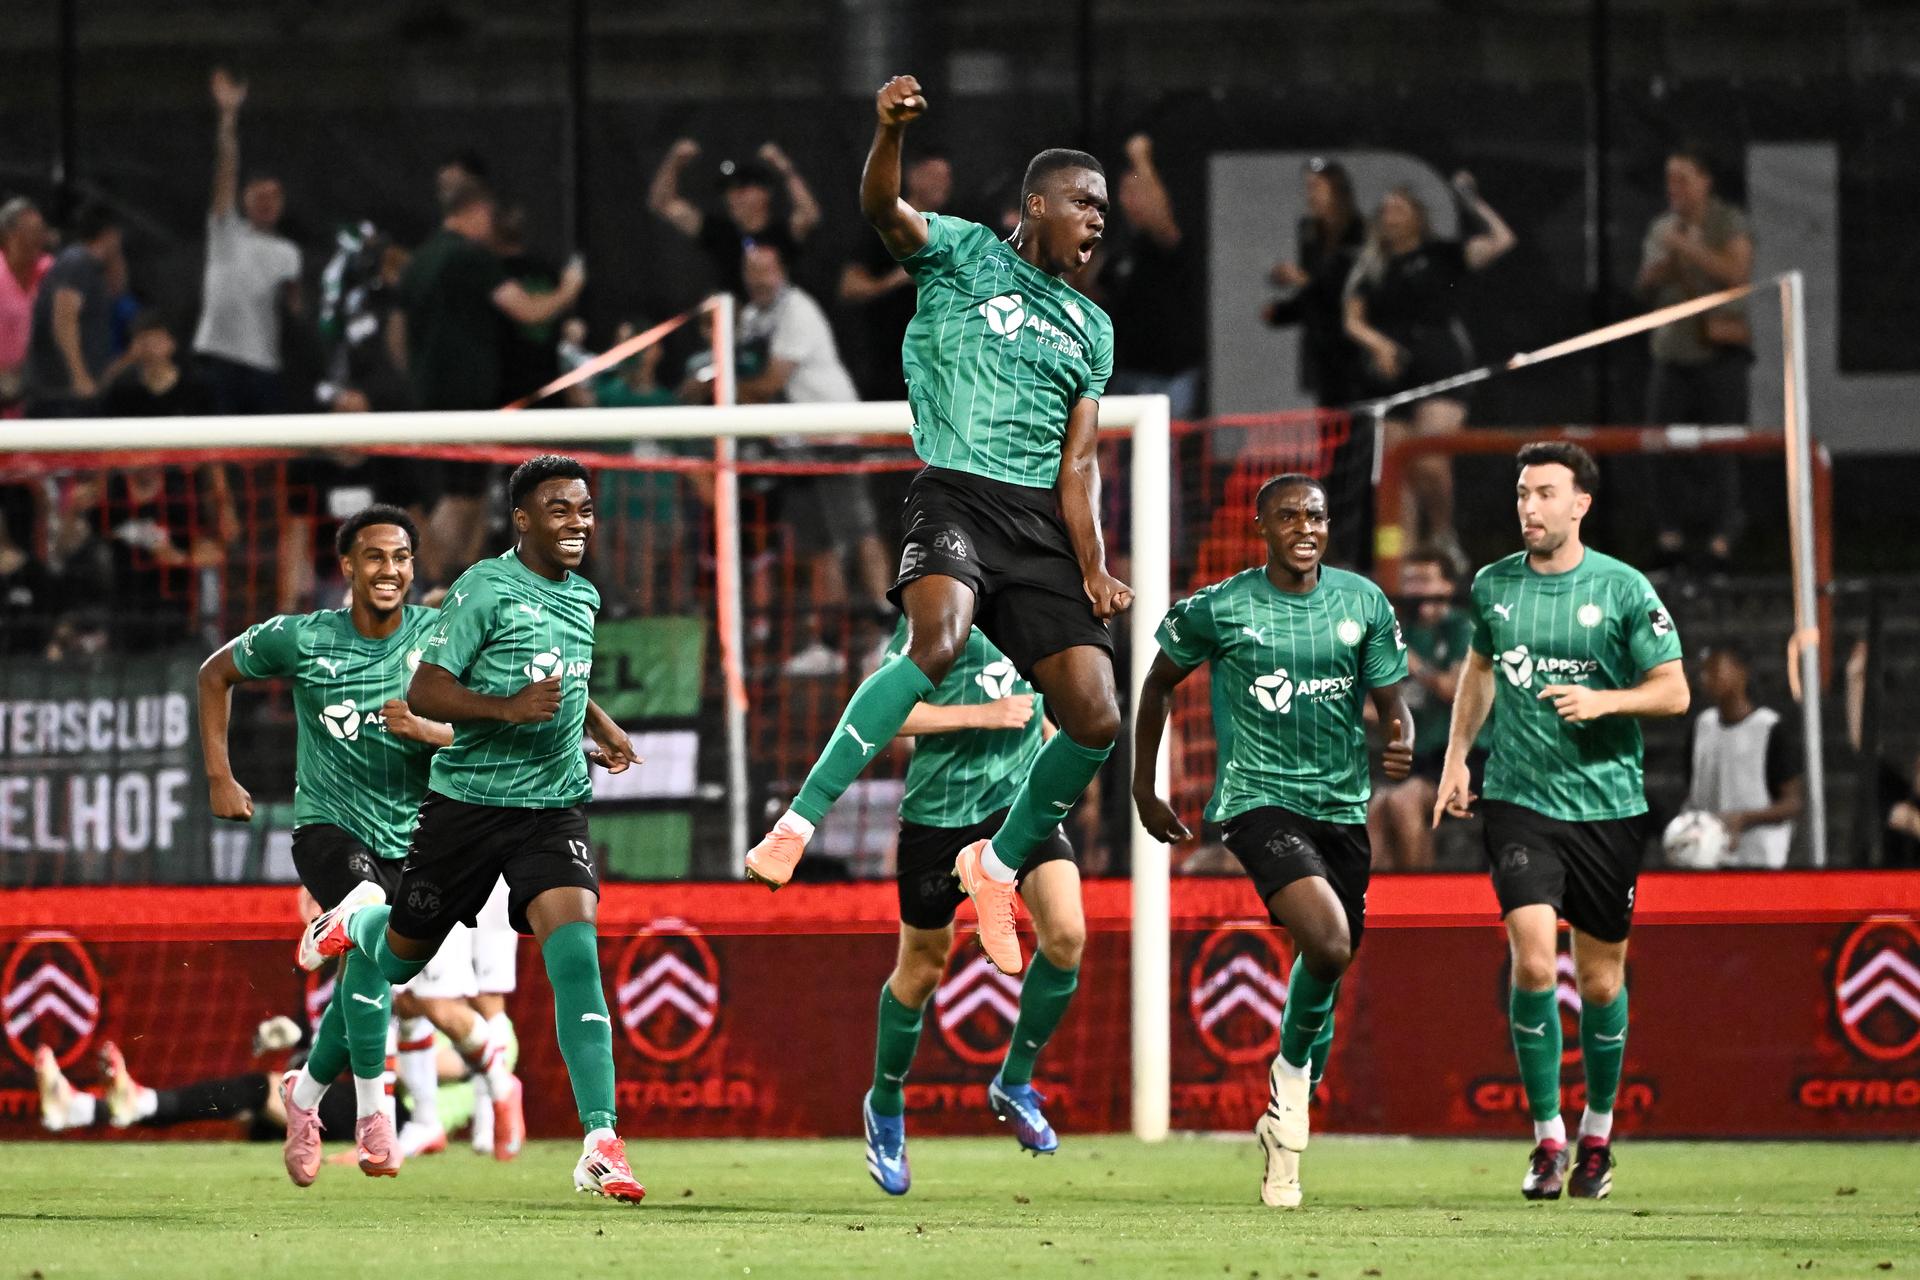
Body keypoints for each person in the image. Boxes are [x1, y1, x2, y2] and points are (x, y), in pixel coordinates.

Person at [742, 75, 1126, 982]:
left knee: (1097, 717)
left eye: (1106, 210)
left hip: (1038, 524)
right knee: (938, 641)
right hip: (955, 490)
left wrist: (1095, 565)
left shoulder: (1092, 328)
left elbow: (1079, 465)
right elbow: (883, 208)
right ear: (1037, 204)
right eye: (1085, 202)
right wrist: (888, 132)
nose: (1099, 220)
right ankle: (796, 823)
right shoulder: (963, 253)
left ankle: (997, 866)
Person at [295, 456, 646, 1203]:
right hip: (467, 809)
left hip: (552, 807)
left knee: (577, 953)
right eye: (559, 509)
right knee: (397, 961)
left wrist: (602, 725)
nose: (577, 522)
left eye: (584, 509)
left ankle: (600, 1140)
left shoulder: (584, 595)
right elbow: (428, 689)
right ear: (522, 520)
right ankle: (354, 926)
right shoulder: (485, 587)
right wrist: (508, 710)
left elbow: (564, 676)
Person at [198, 503, 525, 1178]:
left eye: (401, 557)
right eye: (375, 556)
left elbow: (486, 730)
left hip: (414, 842)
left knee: (374, 972)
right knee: (369, 909)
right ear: (347, 566)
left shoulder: (440, 639)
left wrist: (427, 731)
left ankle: (304, 1093)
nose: (390, 569)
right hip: (328, 830)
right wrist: (219, 777)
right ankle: (378, 1121)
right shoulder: (303, 637)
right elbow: (213, 674)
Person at [1133, 473, 1413, 1209]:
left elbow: (1393, 700)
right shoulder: (1222, 607)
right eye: (1288, 516)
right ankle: (1289, 1089)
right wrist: (1143, 787)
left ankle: (1284, 1136)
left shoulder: (1363, 602)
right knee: (1327, 942)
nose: (1305, 527)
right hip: (1256, 803)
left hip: (1342, 809)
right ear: (1260, 528)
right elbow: (1157, 685)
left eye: (1315, 515)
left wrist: (1400, 736)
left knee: (1327, 965)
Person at [1431, 441, 1689, 1201]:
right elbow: (1480, 670)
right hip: (1519, 800)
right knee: (1537, 964)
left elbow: (1673, 690)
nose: (1529, 507)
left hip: (1608, 805)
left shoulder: (1622, 587)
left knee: (1601, 982)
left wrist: (1605, 701)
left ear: (1580, 504)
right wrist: (1456, 759)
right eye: (1522, 493)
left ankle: (1596, 1136)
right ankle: (1547, 1139)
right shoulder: (1493, 585)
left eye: (1545, 493)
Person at [861, 619, 1084, 1194]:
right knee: (922, 968)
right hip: (940, 816)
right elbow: (888, 715)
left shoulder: (1035, 609)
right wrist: (983, 715)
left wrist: (1051, 740)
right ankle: (885, 1104)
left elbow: (1033, 700)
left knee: (1066, 935)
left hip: (1020, 804)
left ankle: (1015, 1081)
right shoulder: (938, 613)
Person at [393, 177, 584, 587]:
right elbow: (529, 311)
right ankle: (431, 583)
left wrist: (419, 377)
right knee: (462, 497)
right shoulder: (471, 257)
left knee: (464, 495)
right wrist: (569, 289)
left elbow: (396, 333)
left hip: (427, 396)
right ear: (477, 211)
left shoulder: (419, 260)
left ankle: (447, 583)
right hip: (466, 398)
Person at [736, 240, 891, 669]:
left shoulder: (797, 310)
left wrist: (718, 389)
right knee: (817, 544)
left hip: (833, 434)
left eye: (765, 269)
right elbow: (750, 377)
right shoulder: (750, 318)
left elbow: (768, 382)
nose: (757, 278)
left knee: (859, 530)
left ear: (782, 271)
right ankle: (829, 643)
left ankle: (890, 629)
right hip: (794, 444)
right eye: (750, 270)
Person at [1344, 174, 1516, 556]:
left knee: (1429, 460)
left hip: (1440, 366)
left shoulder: (1442, 255)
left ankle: (1442, 535)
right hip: (1392, 374)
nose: (1391, 216)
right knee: (1394, 473)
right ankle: (1398, 562)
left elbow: (1501, 240)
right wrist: (1379, 345)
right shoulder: (1372, 266)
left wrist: (1472, 201)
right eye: (1386, 210)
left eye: (1399, 208)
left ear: (1417, 216)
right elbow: (1353, 320)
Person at [1635, 145, 1754, 572]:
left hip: (1718, 352)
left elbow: (1736, 274)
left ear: (1705, 181)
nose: (1675, 188)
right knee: (1658, 446)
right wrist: (1662, 267)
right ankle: (1670, 539)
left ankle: (1722, 543)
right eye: (1669, 179)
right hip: (1672, 354)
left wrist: (1687, 248)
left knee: (1721, 447)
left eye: (1683, 178)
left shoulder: (1728, 222)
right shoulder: (1661, 227)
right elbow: (1643, 285)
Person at [191, 68, 302, 416]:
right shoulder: (227, 231)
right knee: (219, 440)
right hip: (220, 358)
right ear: (245, 200)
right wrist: (228, 119)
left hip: (264, 363)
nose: (267, 203)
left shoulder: (288, 253)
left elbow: (295, 309)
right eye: (259, 196)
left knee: (267, 442)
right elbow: (225, 173)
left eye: (274, 197)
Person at [1369, 544, 1475, 870]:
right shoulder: (1404, 632)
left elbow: (1455, 691)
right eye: (1410, 581)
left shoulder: (1462, 628)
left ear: (1448, 586)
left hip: (1466, 760)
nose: (1416, 590)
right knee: (1377, 807)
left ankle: (1423, 895)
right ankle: (1371, 899)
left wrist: (1414, 664)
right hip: (1419, 761)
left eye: (1425, 580)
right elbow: (1377, 709)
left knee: (1404, 801)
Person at [839, 146, 952, 400]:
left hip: (941, 366)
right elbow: (849, 287)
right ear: (912, 176)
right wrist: (896, 279)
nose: (942, 184)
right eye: (934, 175)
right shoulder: (884, 224)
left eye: (947, 177)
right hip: (889, 362)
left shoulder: (954, 229)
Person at [649, 139, 821, 297]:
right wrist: (674, 162)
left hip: (783, 316)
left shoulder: (782, 232)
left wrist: (785, 168)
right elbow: (663, 204)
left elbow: (810, 215)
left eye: (742, 188)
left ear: (765, 192)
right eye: (728, 190)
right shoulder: (720, 232)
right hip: (737, 318)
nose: (733, 196)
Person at [1684, 641, 1803, 867]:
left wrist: (1743, 818)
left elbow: (1793, 802)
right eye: (1703, 671)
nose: (1705, 678)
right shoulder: (1702, 726)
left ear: (1741, 672)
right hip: (1708, 859)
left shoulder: (1768, 727)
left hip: (1758, 860)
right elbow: (1694, 794)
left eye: (1714, 670)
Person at [1264, 158, 1365, 410]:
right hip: (1324, 355)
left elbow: (1350, 290)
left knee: (1357, 422)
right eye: (1308, 188)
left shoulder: (1360, 233)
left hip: (1355, 353)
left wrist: (1302, 280)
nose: (1310, 195)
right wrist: (1284, 312)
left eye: (1317, 187)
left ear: (1337, 191)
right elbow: (1315, 295)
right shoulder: (1313, 235)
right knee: (1330, 424)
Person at [24, 203, 130, 417]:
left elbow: (118, 289)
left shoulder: (94, 268)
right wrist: (78, 375)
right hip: (62, 391)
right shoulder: (76, 262)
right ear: (110, 234)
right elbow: (64, 319)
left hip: (78, 389)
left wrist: (115, 254)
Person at [0, 197, 53, 418]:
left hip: (34, 388)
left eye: (41, 231)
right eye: (31, 231)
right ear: (9, 235)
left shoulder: (49, 269)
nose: (40, 238)